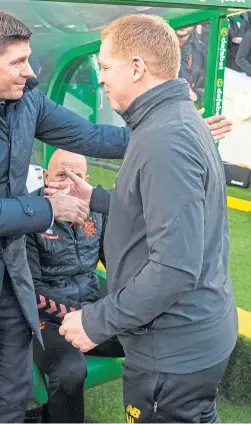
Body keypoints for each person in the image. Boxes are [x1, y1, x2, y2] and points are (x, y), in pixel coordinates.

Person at [0, 8, 232, 423]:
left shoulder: (26, 96)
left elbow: (88, 135)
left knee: (12, 396)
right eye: (18, 62)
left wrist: (159, 129)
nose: (30, 72)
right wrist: (51, 207)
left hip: (5, 276)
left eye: (29, 58)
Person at [57, 14, 238, 423]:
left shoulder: (164, 139)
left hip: (173, 349)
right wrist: (98, 198)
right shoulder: (166, 119)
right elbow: (158, 205)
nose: (100, 79)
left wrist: (95, 320)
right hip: (189, 338)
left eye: (105, 67)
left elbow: (174, 268)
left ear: (137, 67)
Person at [26, 149, 124, 423]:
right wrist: (83, 316)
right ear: (46, 176)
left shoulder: (96, 212)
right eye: (60, 175)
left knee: (151, 338)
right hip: (45, 322)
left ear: (86, 179)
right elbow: (29, 291)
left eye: (76, 176)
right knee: (70, 369)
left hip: (90, 314)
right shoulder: (29, 213)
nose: (68, 184)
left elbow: (116, 263)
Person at [176, 26, 207, 106]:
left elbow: (209, 87)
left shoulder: (202, 49)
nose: (183, 23)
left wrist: (196, 95)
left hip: (187, 109)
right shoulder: (156, 45)